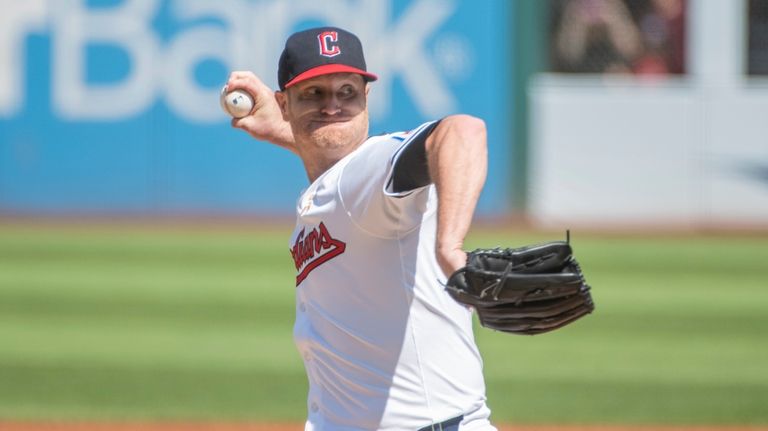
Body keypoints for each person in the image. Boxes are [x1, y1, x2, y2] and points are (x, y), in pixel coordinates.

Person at [224, 26, 495, 431]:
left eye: (346, 92)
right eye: (313, 94)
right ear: (284, 103)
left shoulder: (374, 167)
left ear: (366, 97)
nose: (332, 105)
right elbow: (336, 169)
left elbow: (464, 131)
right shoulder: (339, 185)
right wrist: (284, 132)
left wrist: (451, 247)